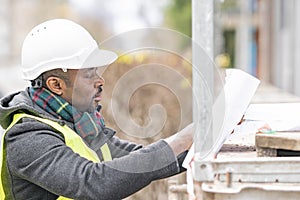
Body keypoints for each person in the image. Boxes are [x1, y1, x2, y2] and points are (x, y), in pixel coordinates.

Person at [0, 19, 193, 199]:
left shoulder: (78, 125)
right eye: (88, 74)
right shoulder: (27, 138)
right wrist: (180, 140)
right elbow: (92, 181)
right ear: (56, 85)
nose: (100, 81)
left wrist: (201, 148)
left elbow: (136, 158)